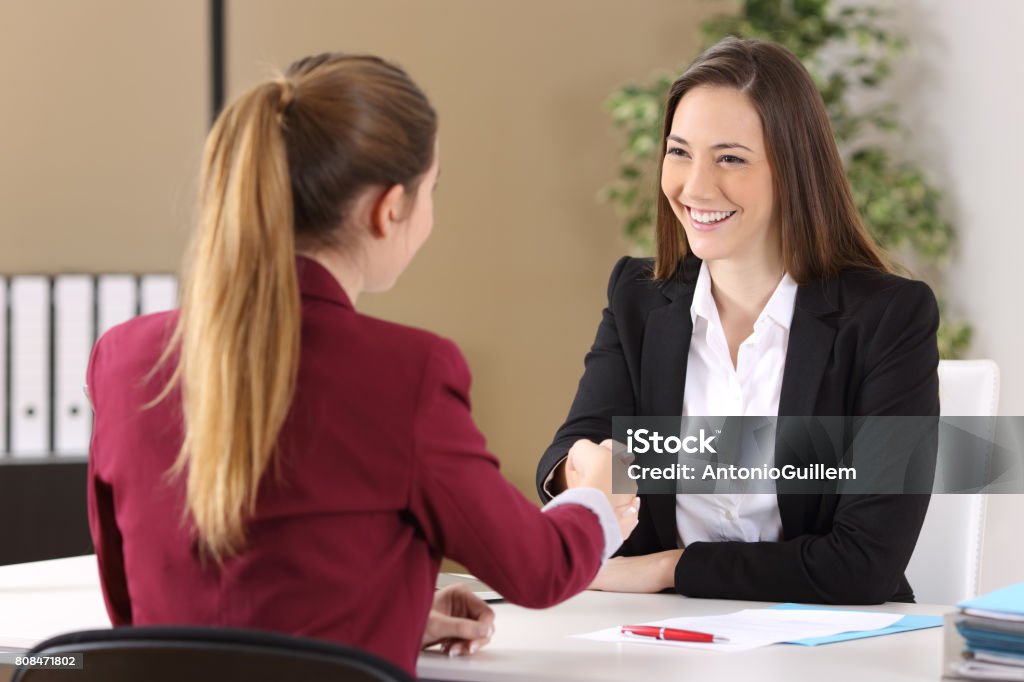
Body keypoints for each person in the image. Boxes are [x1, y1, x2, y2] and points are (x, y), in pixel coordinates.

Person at [86, 53, 638, 676]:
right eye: (432, 191)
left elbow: (139, 605)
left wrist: (392, 612)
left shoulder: (122, 357)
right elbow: (539, 570)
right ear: (388, 209)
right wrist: (597, 499)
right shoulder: (408, 372)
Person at [536, 37, 939, 605]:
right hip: (659, 642)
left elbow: (863, 564)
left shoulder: (888, 318)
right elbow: (576, 447)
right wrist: (581, 471)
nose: (695, 187)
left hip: (831, 647)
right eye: (679, 152)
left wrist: (673, 568)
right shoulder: (639, 297)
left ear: (794, 171)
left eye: (730, 158)